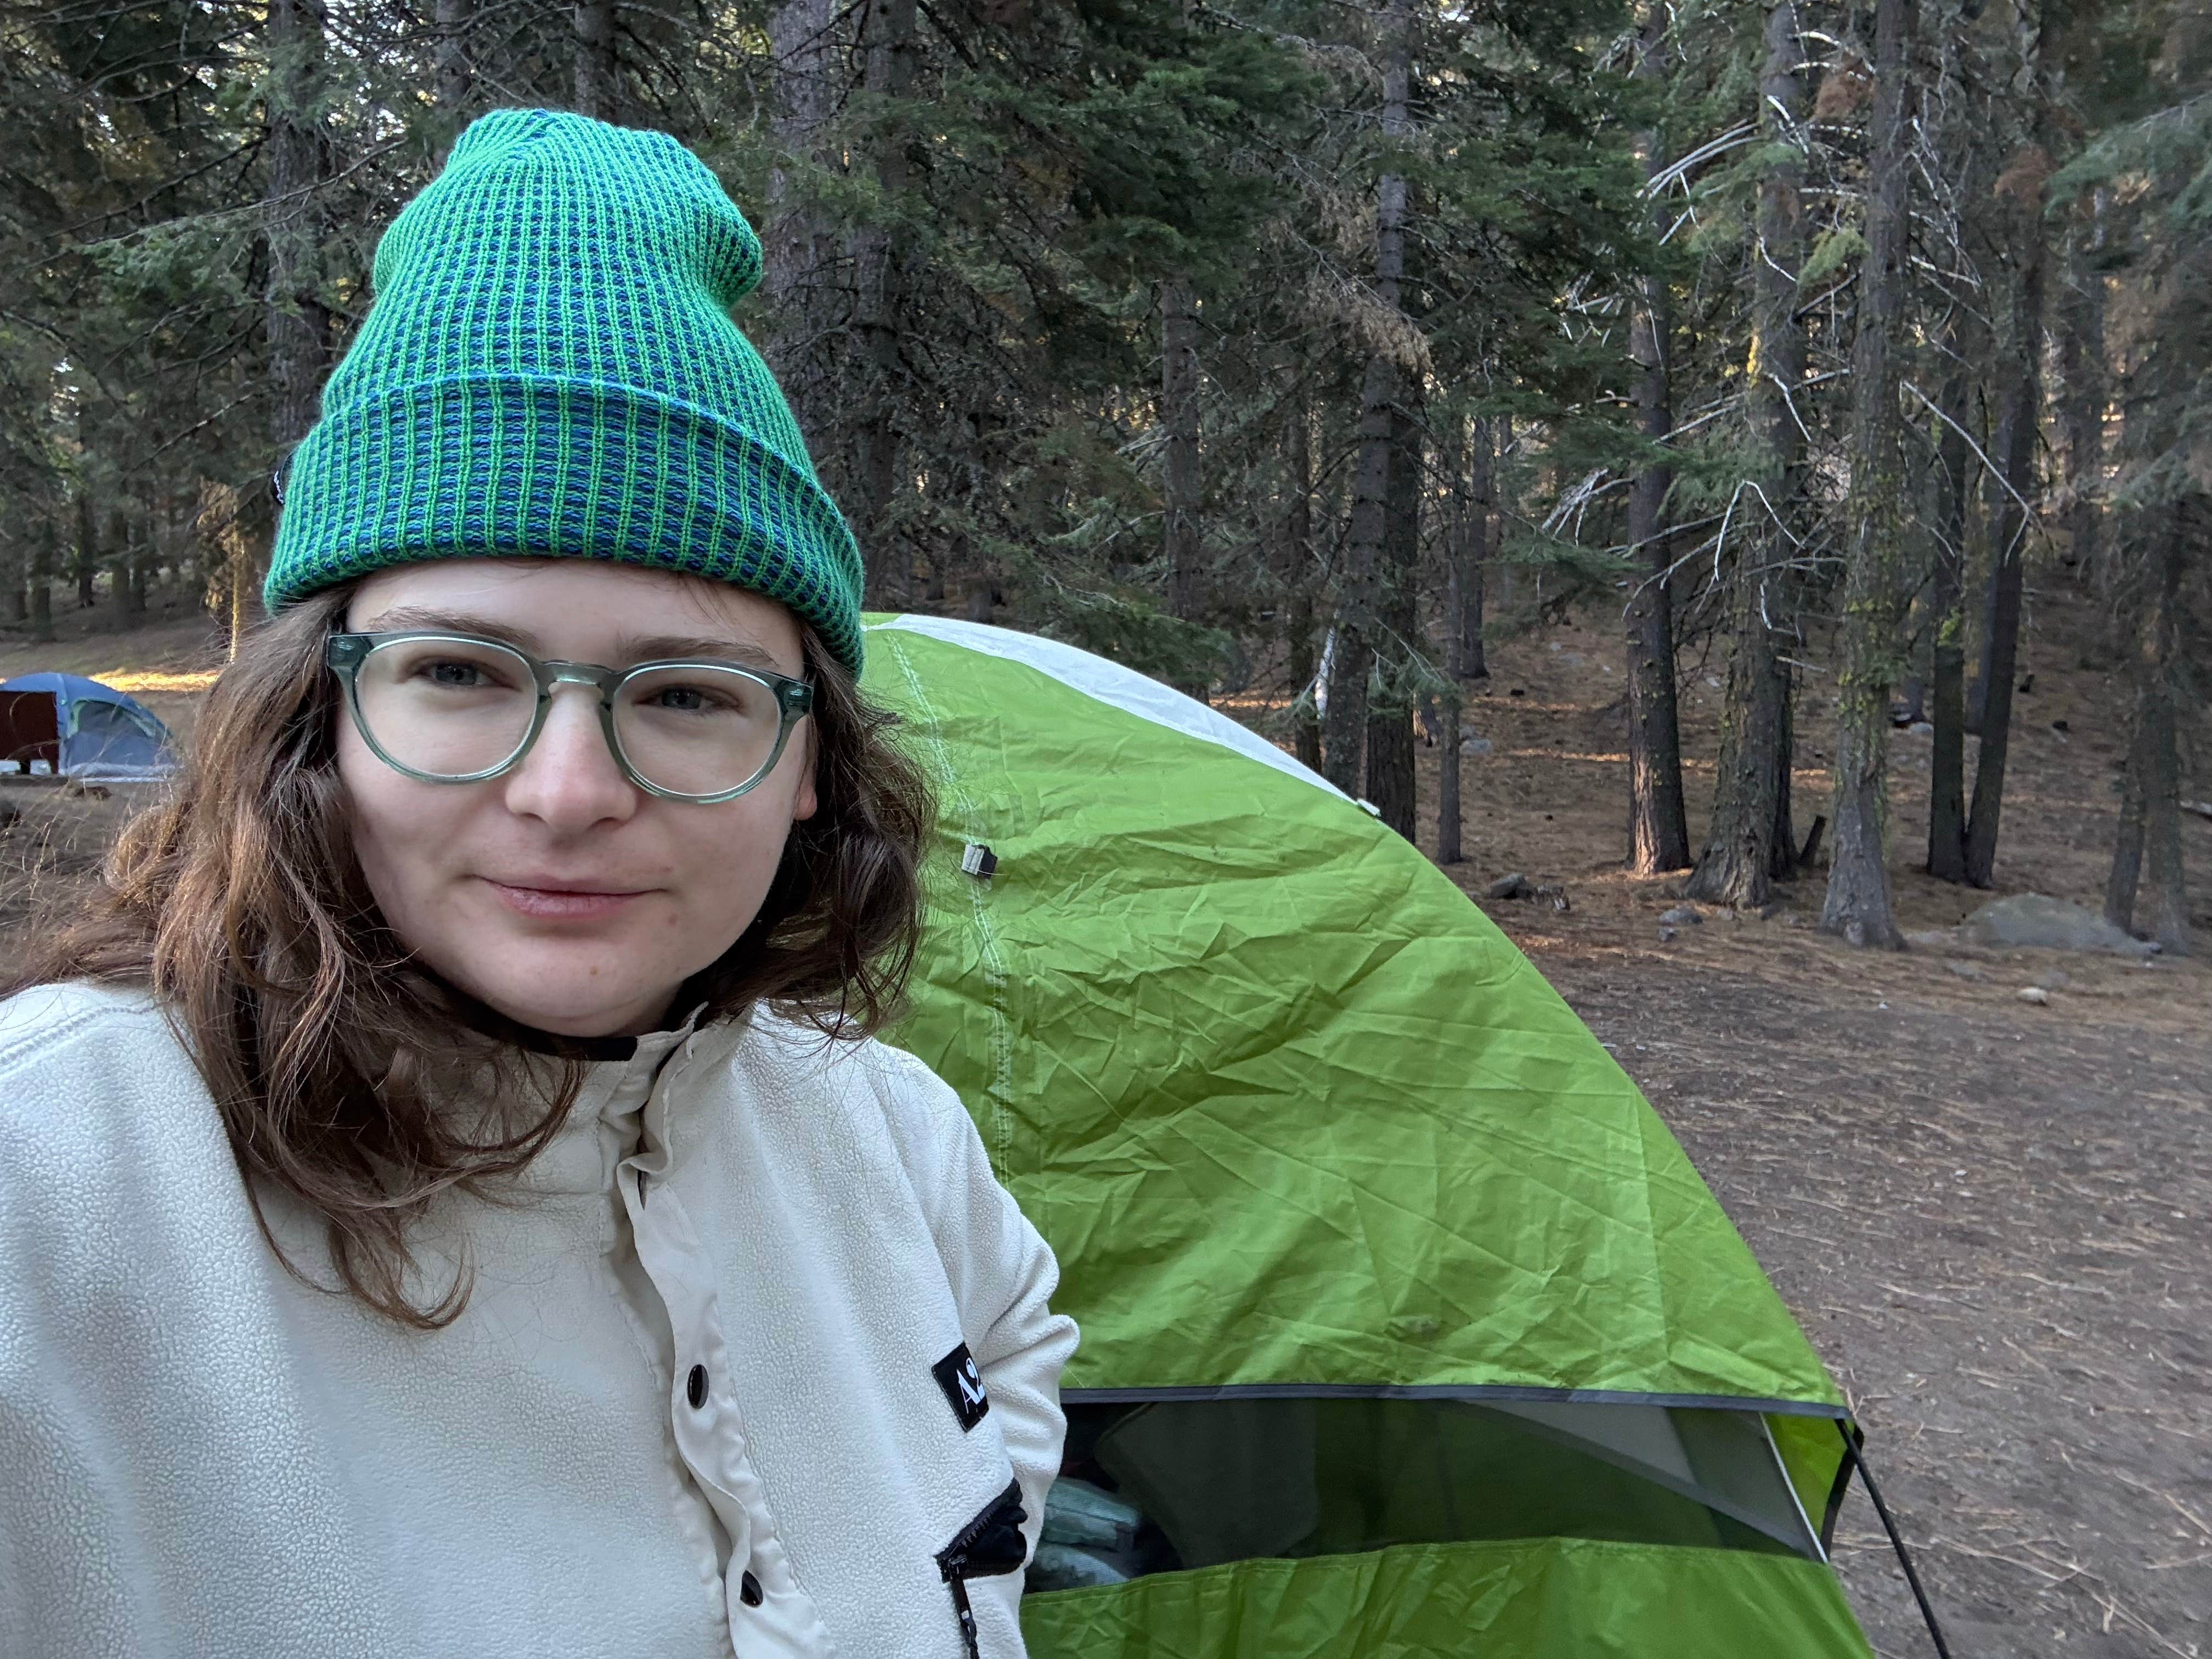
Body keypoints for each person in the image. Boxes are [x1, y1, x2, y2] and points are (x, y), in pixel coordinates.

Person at [0, 109, 1076, 1659]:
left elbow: (1015, 1351)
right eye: (459, 673)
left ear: (809, 763)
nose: (568, 793)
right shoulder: (58, 1181)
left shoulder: (884, 1132)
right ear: (318, 716)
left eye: (688, 694)